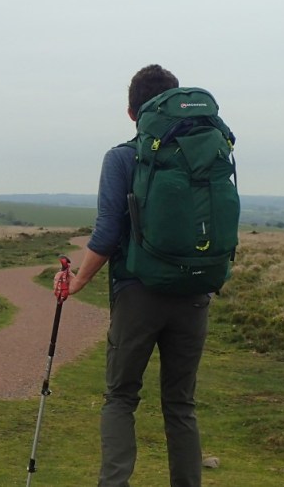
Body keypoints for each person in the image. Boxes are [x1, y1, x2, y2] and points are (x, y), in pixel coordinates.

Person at [55, 64, 212, 487]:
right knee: (180, 403)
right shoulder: (207, 154)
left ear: (131, 112)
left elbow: (107, 233)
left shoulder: (123, 157)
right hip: (195, 291)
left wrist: (78, 281)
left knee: (121, 397)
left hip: (138, 292)